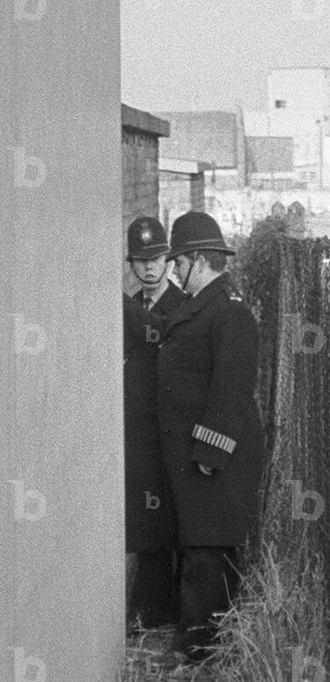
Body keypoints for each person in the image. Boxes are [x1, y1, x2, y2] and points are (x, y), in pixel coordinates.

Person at [153, 211, 264, 667]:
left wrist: (210, 453)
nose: (174, 272)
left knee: (206, 550)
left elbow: (232, 388)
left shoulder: (229, 312)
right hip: (196, 452)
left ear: (199, 261)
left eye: (178, 263)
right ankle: (205, 642)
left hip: (215, 456)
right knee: (200, 545)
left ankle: (197, 649)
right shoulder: (203, 305)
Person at [123, 216, 186, 629]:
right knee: (144, 520)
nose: (149, 268)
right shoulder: (132, 305)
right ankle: (149, 611)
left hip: (170, 431)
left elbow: (159, 336)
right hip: (138, 433)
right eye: (141, 260)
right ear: (131, 264)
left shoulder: (181, 307)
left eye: (156, 259)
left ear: (168, 261)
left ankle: (161, 611)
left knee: (167, 521)